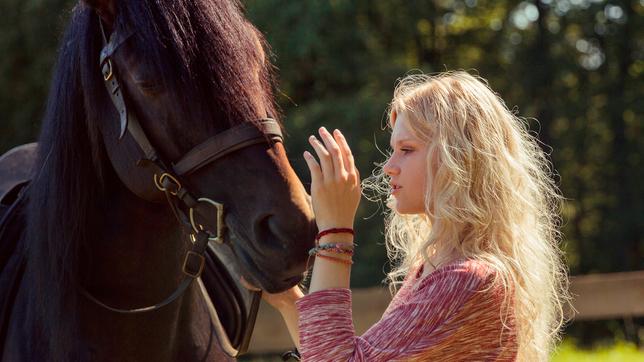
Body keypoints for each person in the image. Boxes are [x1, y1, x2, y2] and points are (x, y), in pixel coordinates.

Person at [243, 71, 571, 361]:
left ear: (458, 158)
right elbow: (339, 355)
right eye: (393, 150)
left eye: (407, 149)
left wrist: (336, 233)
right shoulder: (441, 270)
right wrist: (287, 300)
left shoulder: (469, 280)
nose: (389, 167)